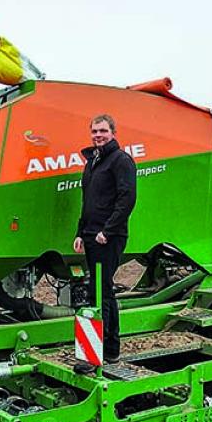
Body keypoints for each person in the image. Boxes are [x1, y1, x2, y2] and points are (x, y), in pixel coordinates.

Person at [73, 114, 137, 366]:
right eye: (94, 132)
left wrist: (108, 230)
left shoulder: (121, 160)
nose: (98, 135)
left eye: (102, 131)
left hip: (108, 237)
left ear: (113, 132)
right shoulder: (92, 162)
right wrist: (80, 232)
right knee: (100, 290)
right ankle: (106, 350)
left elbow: (127, 198)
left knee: (101, 292)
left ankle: (104, 350)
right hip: (90, 235)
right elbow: (87, 201)